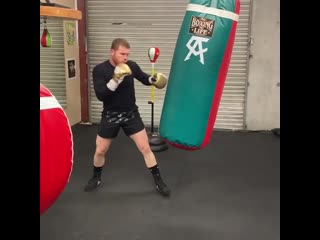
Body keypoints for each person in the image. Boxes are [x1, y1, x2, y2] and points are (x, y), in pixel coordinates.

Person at [84, 38, 170, 197]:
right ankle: (96, 178)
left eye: (127, 54)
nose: (125, 57)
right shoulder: (100, 70)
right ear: (112, 52)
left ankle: (159, 181)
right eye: (122, 53)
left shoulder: (131, 65)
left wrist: (154, 79)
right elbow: (101, 95)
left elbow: (144, 78)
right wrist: (115, 79)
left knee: (145, 148)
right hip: (111, 115)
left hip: (131, 114)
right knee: (100, 150)